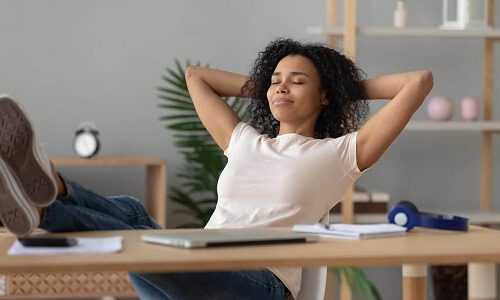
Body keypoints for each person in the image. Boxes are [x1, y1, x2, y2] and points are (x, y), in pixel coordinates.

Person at [0, 38, 433, 300]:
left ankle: (49, 200)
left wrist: (336, 86)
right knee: (131, 212)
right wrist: (271, 86)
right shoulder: (245, 140)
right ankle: (48, 196)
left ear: (323, 98)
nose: (282, 85)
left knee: (151, 248)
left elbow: (418, 82)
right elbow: (196, 76)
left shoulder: (340, 154)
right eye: (276, 78)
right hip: (193, 265)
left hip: (257, 286)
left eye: (297, 81)